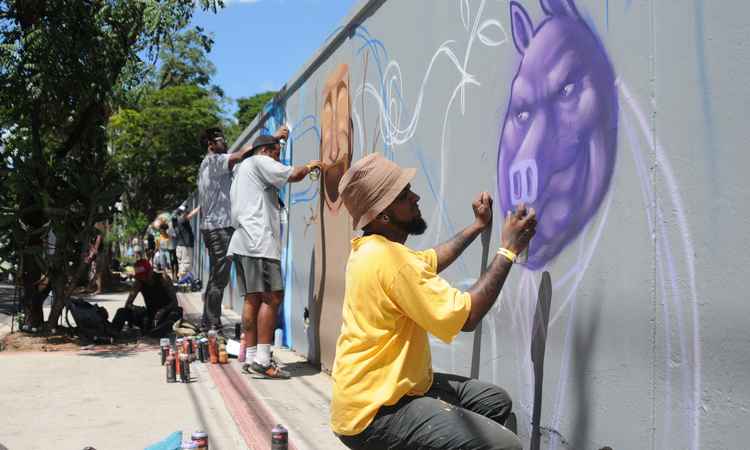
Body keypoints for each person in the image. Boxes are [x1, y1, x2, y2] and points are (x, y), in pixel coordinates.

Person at [330, 153, 537, 450]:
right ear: (381, 215)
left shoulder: (372, 249)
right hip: (375, 412)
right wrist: (509, 249)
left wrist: (477, 226)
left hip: (380, 392)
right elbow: (467, 317)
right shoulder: (390, 260)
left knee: (493, 401)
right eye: (403, 196)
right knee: (506, 446)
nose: (415, 197)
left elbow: (430, 261)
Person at [228, 134, 322, 378]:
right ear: (267, 151)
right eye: (277, 154)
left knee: (253, 299)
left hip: (242, 241)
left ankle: (250, 358)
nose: (278, 159)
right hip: (259, 240)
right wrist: (314, 165)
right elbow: (294, 174)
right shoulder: (260, 161)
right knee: (272, 297)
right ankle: (262, 359)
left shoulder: (242, 169)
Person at [197, 125, 288, 332]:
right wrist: (270, 139)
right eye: (220, 140)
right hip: (218, 227)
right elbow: (240, 155)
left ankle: (209, 322)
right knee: (219, 278)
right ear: (211, 145)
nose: (225, 142)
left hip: (215, 227)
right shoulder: (213, 161)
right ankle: (211, 324)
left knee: (217, 277)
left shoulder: (214, 165)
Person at [112, 257, 182, 337]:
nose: (144, 279)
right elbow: (128, 304)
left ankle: (155, 331)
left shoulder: (163, 278)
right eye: (141, 277)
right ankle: (112, 333)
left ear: (151, 270)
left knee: (176, 313)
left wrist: (163, 310)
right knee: (122, 311)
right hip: (150, 314)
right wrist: (135, 308)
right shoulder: (138, 283)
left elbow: (175, 302)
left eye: (145, 276)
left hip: (166, 313)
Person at [173, 205, 199, 281]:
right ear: (182, 213)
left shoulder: (176, 221)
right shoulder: (181, 220)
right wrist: (198, 208)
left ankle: (181, 281)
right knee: (186, 266)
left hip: (180, 247)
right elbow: (190, 216)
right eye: (185, 212)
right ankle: (183, 283)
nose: (187, 213)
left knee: (182, 266)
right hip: (185, 247)